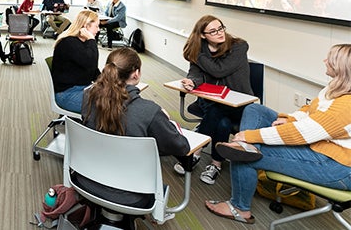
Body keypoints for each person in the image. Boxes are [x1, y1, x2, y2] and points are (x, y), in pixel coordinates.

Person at [204, 44, 351, 224]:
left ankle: (240, 208)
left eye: (330, 59)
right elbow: (309, 109)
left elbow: (302, 133)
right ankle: (246, 147)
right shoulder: (334, 88)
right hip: (320, 147)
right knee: (255, 109)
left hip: (337, 167)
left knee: (244, 155)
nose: (324, 61)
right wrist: (290, 119)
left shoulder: (347, 106)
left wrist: (252, 136)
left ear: (341, 68)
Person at [79, 48, 190, 208]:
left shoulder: (87, 96)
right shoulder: (149, 111)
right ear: (136, 73)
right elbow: (181, 147)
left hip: (87, 179)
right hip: (130, 194)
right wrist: (163, 120)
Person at [176, 15, 252, 185]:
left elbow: (219, 71)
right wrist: (192, 81)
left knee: (217, 112)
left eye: (221, 28)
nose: (220, 33)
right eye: (213, 31)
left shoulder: (239, 46)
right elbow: (196, 72)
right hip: (212, 102)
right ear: (202, 35)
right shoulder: (200, 50)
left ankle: (196, 151)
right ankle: (216, 164)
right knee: (222, 122)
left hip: (239, 105)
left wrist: (197, 54)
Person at [51, 10, 101, 112]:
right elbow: (90, 62)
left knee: (114, 98)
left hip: (82, 88)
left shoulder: (82, 43)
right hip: (67, 93)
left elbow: (92, 69)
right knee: (108, 108)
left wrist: (108, 83)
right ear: (85, 26)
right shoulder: (69, 43)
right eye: (96, 26)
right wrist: (91, 39)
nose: (98, 30)